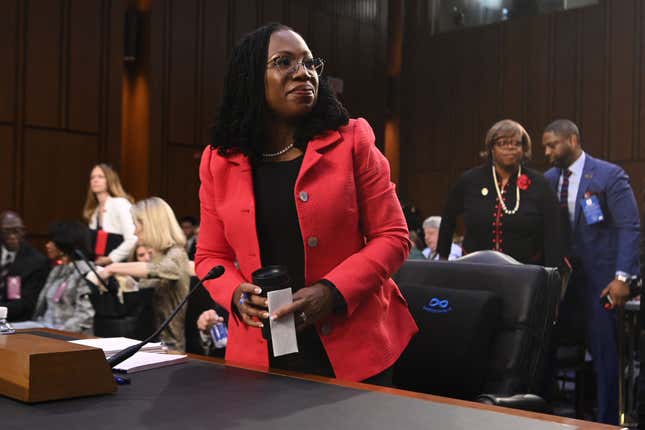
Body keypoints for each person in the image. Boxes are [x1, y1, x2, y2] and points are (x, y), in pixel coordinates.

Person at [195, 23, 417, 384]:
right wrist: (236, 294)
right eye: (284, 62)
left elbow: (393, 236)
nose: (303, 72)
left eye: (310, 63)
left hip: (353, 346)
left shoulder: (352, 140)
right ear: (252, 78)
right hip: (260, 351)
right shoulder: (218, 160)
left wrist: (331, 292)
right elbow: (210, 257)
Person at [542, 119, 640, 425]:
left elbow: (629, 227)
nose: (546, 152)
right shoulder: (546, 180)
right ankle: (547, 416)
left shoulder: (609, 175)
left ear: (572, 140)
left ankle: (608, 420)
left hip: (601, 280)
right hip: (563, 282)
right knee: (548, 348)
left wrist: (623, 277)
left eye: (551, 145)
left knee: (603, 352)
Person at [437, 119, 565, 267]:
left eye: (516, 143)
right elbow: (448, 217)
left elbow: (553, 232)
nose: (510, 148)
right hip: (475, 270)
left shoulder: (539, 183)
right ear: (491, 148)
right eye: (503, 143)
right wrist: (443, 257)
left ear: (523, 149)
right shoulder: (470, 180)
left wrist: (553, 274)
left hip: (525, 275)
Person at [100, 197, 190, 352]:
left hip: (169, 348)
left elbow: (164, 269)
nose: (134, 231)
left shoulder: (177, 254)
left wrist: (113, 267)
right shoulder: (157, 255)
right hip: (147, 344)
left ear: (151, 224)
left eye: (136, 225)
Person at [32, 221, 95, 334]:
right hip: (44, 327)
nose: (47, 245)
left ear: (65, 243)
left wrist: (56, 334)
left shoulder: (86, 272)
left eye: (52, 241)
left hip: (67, 335)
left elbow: (85, 316)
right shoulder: (57, 269)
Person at [83, 164, 137, 265]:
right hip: (99, 265)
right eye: (92, 177)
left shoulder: (120, 203)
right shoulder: (94, 211)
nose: (95, 180)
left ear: (109, 180)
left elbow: (133, 238)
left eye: (100, 177)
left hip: (119, 265)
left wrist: (111, 258)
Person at [0, 211, 50, 321]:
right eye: (7, 231)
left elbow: (27, 303)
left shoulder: (37, 261)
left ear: (23, 232)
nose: (12, 236)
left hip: (16, 320)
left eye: (16, 231)